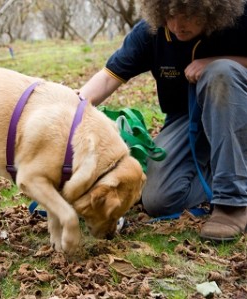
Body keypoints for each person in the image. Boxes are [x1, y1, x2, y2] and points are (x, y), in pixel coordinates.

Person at [79, 0, 247, 241]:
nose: (178, 25)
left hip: (240, 107)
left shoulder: (241, 18)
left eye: (189, 14)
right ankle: (230, 172)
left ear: (213, 9)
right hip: (187, 117)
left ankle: (232, 204)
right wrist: (71, 108)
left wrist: (216, 62)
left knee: (220, 72)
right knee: (161, 199)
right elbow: (107, 78)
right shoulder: (151, 32)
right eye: (170, 15)